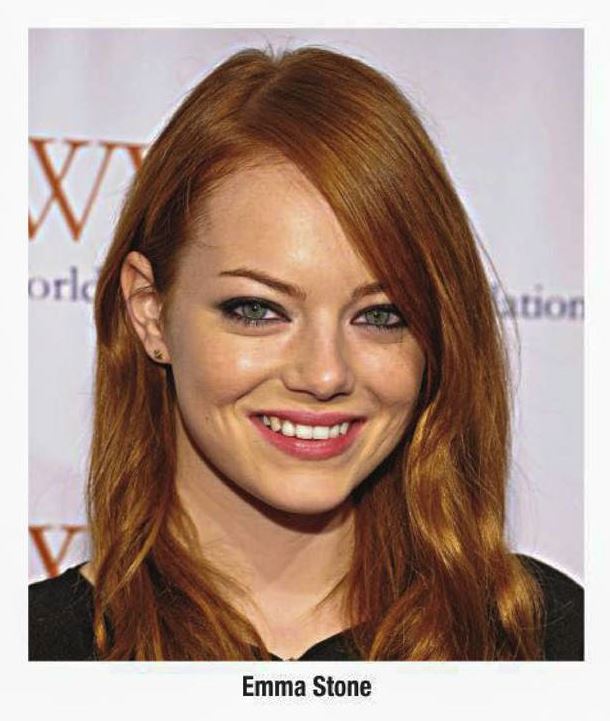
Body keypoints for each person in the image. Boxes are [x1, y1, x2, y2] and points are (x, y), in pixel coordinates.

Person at [29, 45, 583, 661]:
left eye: (381, 315)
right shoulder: (34, 654)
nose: (324, 374)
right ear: (150, 312)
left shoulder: (544, 639)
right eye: (257, 310)